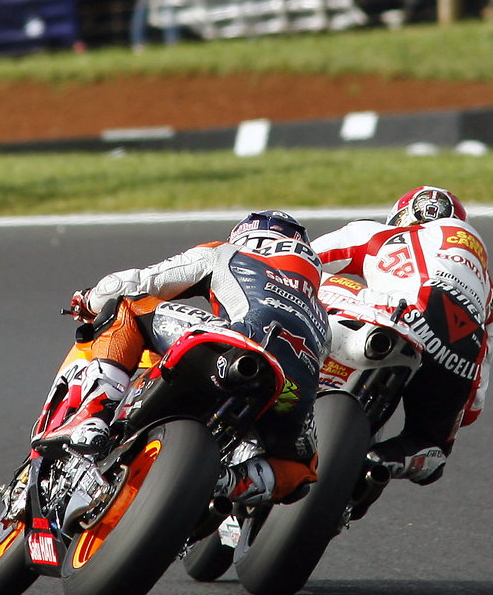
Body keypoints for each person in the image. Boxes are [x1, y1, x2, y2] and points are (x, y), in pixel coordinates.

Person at [35, 210, 328, 506]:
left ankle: (93, 417)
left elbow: (131, 283)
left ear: (249, 236)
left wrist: (88, 300)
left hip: (231, 348)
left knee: (125, 304)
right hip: (290, 392)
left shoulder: (227, 253)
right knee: (301, 471)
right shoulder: (321, 315)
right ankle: (226, 481)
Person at [310, 186, 493, 486]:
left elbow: (301, 260)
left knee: (297, 281)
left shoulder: (377, 234)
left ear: (402, 216)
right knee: (431, 448)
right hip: (459, 353)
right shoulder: (487, 291)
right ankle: (385, 462)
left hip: (395, 316)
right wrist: (454, 405)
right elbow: (475, 401)